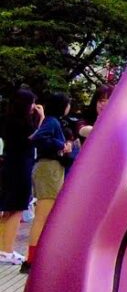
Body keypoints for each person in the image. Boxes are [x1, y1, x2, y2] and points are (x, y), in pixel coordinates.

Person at [24, 91, 72, 273]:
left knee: (43, 215)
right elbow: (37, 137)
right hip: (49, 169)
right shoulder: (52, 122)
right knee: (43, 216)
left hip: (48, 168)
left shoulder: (51, 121)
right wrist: (61, 146)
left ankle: (34, 258)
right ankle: (32, 260)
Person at [0, 89, 39, 265]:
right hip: (20, 167)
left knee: (8, 208)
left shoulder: (8, 120)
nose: (34, 107)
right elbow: (34, 138)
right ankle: (6, 249)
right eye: (31, 103)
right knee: (17, 207)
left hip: (10, 165)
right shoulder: (22, 124)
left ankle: (4, 248)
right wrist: (43, 118)